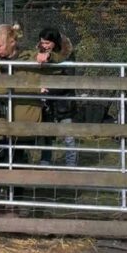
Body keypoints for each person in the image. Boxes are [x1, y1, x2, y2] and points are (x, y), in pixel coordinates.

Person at [0, 23, 42, 165]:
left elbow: (60, 57)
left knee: (16, 161)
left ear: (12, 42)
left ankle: (14, 186)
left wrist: (47, 57)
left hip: (20, 119)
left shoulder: (29, 58)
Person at [35, 28, 78, 167]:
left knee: (68, 135)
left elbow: (69, 78)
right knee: (46, 132)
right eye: (42, 42)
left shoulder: (67, 55)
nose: (44, 45)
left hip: (64, 100)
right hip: (46, 100)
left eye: (47, 42)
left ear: (55, 42)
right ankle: (45, 159)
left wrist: (50, 89)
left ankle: (71, 163)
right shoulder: (39, 54)